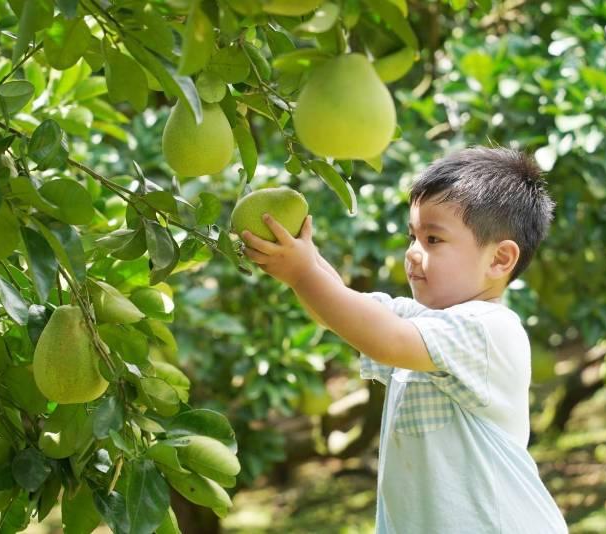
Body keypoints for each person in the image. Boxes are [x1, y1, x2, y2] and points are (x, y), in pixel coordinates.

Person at [240, 146, 568, 533]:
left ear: (499, 260)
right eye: (413, 236)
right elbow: (345, 311)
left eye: (433, 240)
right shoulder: (425, 320)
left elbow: (386, 339)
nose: (412, 254)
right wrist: (303, 261)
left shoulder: (489, 329)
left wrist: (301, 274)